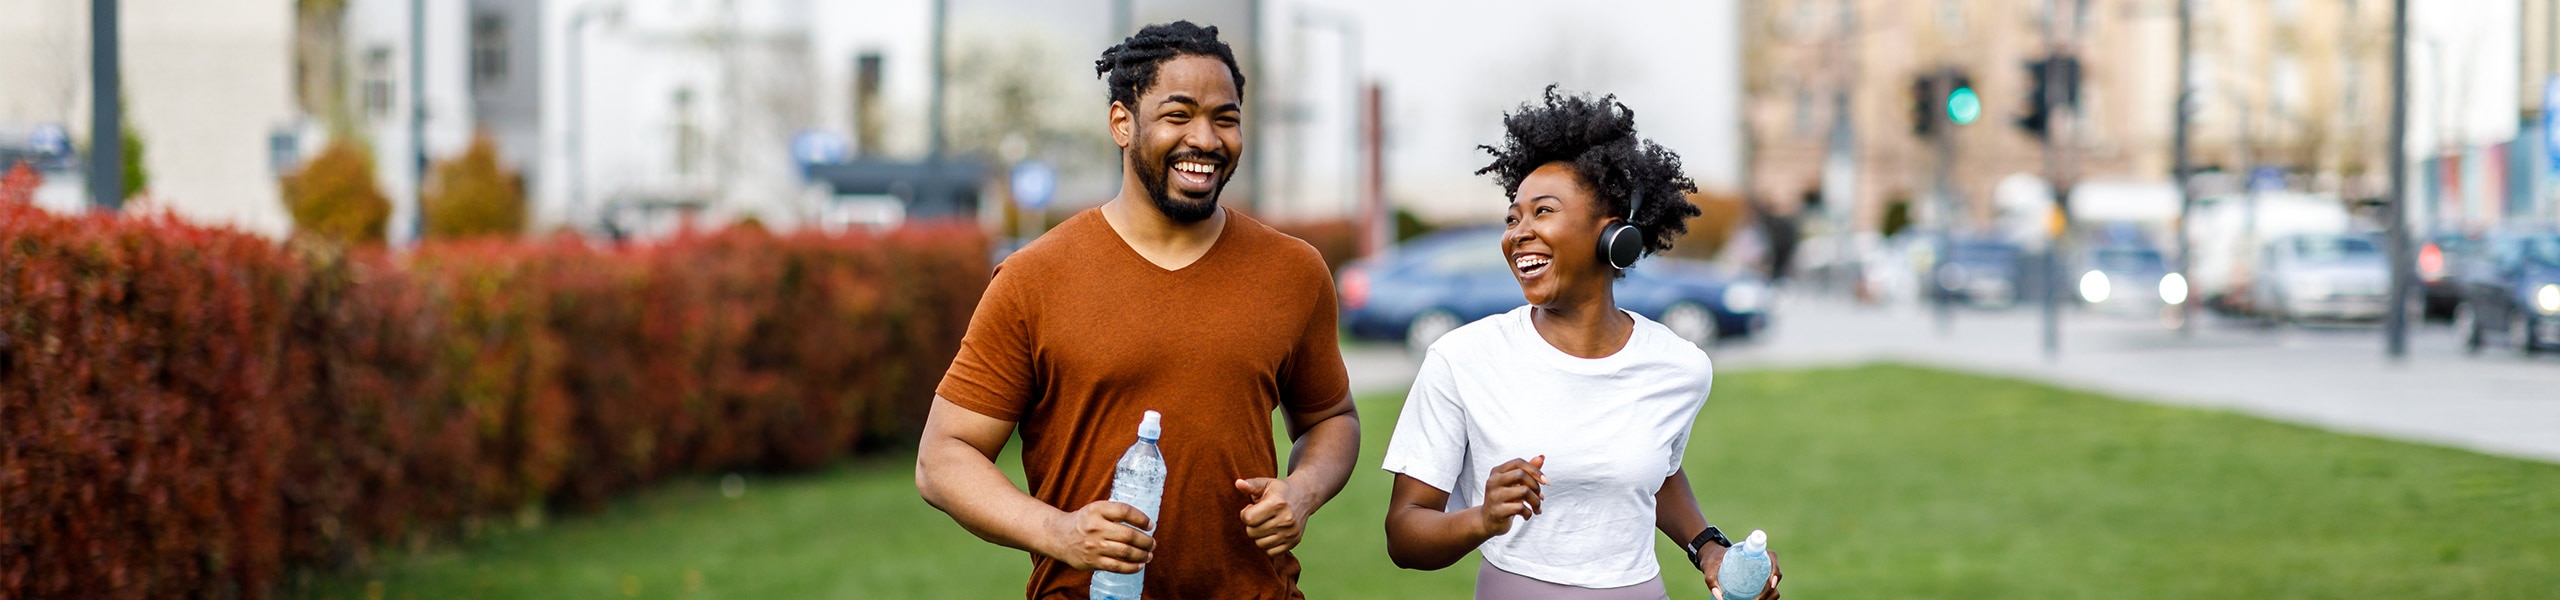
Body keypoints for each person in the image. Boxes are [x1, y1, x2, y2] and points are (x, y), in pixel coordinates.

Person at [914, 20, 1361, 600]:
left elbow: (1332, 419)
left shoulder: (1294, 271)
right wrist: (1060, 531)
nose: (1205, 139)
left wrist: (1303, 490)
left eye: (1224, 118)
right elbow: (943, 457)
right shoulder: (1034, 278)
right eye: (1178, 114)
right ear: (1122, 123)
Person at [1379, 86, 1783, 600]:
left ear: (1615, 236)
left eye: (1542, 212)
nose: (1517, 232)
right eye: (1512, 217)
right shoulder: (1462, 359)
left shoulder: (1680, 367)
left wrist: (1710, 548)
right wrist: (1481, 518)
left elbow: (1653, 473)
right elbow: (1404, 534)